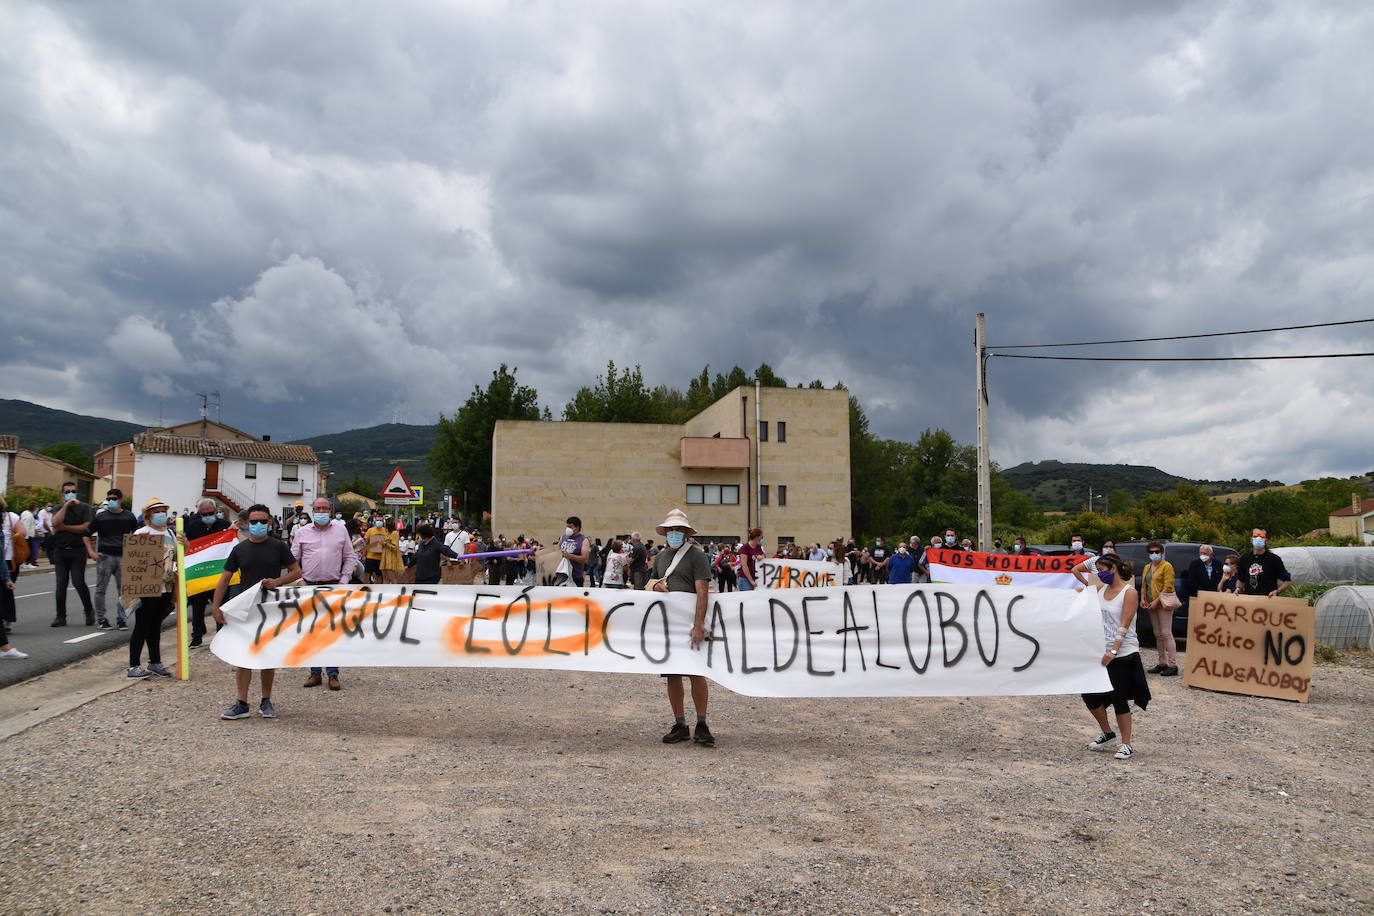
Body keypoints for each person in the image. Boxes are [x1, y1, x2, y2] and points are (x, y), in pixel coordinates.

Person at [210, 504, 301, 719]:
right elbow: (224, 579)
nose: (258, 525)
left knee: (267, 655)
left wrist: (277, 581)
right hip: (245, 609)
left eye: (262, 521)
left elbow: (296, 571)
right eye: (254, 522)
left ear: (269, 523)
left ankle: (266, 700)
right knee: (243, 656)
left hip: (270, 609)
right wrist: (216, 607)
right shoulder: (239, 550)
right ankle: (241, 702)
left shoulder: (278, 546)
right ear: (247, 524)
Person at [1072, 552, 1150, 761]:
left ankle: (1127, 744)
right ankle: (1107, 732)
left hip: (1122, 652)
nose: (1099, 574)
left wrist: (1113, 651)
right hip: (1100, 651)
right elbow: (1077, 575)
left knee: (1119, 698)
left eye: (1102, 570)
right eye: (1097, 571)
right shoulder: (1100, 589)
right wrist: (1081, 591)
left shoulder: (1129, 592)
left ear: (1114, 569)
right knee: (1089, 694)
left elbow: (1124, 625)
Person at [650, 509, 715, 747]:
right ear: (666, 533)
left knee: (696, 673)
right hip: (668, 625)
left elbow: (702, 592)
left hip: (690, 625)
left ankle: (702, 723)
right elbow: (652, 584)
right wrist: (655, 588)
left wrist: (698, 625)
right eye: (671, 530)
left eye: (678, 530)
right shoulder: (660, 558)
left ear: (686, 533)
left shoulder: (697, 556)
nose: (674, 533)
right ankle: (680, 724)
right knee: (673, 675)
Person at [127, 498, 186, 680]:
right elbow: (133, 561)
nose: (161, 514)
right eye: (157, 511)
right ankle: (134, 665)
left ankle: (155, 662)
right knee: (142, 625)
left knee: (155, 626)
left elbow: (178, 556)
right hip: (148, 587)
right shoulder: (142, 533)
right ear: (148, 515)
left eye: (163, 511)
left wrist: (185, 545)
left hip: (166, 587)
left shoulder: (170, 532)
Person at [88, 488, 141, 630]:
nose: (111, 501)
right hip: (105, 556)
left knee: (123, 590)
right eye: (109, 499)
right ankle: (101, 619)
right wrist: (91, 552)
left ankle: (121, 619)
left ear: (120, 500)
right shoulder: (101, 517)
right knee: (100, 589)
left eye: (114, 499)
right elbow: (86, 534)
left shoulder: (129, 516)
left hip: (124, 556)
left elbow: (136, 535)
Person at [184, 498, 231, 648]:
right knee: (197, 607)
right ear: (199, 513)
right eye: (204, 514)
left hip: (219, 573)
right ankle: (197, 636)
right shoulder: (193, 526)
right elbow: (188, 548)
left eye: (211, 513)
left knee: (220, 605)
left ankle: (221, 635)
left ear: (215, 511)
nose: (208, 516)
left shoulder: (225, 526)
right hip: (200, 573)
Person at [49, 481, 97, 627]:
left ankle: (89, 611)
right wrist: (65, 506)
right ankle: (60, 616)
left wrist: (65, 527)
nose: (70, 494)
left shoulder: (84, 508)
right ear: (62, 494)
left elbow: (85, 527)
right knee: (60, 585)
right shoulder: (58, 508)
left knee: (78, 582)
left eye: (73, 491)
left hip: (78, 550)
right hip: (61, 551)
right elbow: (55, 523)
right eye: (67, 491)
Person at [1139, 541, 1179, 677]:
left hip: (1163, 603)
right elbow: (1144, 585)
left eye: (1157, 551)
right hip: (1151, 604)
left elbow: (1168, 586)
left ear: (1161, 552)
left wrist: (1157, 601)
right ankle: (1162, 662)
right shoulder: (1147, 567)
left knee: (1166, 633)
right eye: (1151, 552)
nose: (1154, 554)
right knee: (1157, 634)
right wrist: (1143, 598)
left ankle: (1173, 665)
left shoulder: (1166, 566)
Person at [1234, 527, 1292, 598]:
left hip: (1267, 601)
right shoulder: (1244, 559)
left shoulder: (1274, 559)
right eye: (1255, 536)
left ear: (1266, 540)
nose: (1258, 538)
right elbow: (1241, 579)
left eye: (1262, 536)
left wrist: (1277, 591)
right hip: (1248, 600)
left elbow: (1287, 581)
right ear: (1251, 539)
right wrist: (1238, 588)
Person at [558, 516, 591, 587]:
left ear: (577, 528)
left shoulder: (584, 540)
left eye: (570, 527)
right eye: (567, 526)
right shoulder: (563, 537)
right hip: (562, 575)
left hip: (576, 576)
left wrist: (570, 556)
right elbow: (556, 550)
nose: (568, 529)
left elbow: (585, 559)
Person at [363, 516, 387, 584]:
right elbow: (366, 543)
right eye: (377, 520)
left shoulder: (386, 531)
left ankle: (377, 590)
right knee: (367, 574)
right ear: (375, 521)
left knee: (379, 575)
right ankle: (364, 587)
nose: (379, 522)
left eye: (380, 520)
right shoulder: (370, 530)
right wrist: (364, 555)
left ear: (383, 522)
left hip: (381, 558)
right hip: (370, 557)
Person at [380, 518, 404, 585]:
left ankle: (395, 591)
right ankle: (385, 592)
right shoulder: (386, 533)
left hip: (391, 557)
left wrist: (385, 544)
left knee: (391, 577)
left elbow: (395, 547)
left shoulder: (395, 533)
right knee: (385, 578)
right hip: (384, 556)